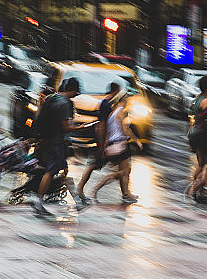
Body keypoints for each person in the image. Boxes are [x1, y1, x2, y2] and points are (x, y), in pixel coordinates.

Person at [31, 77, 82, 215]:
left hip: (46, 141)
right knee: (51, 171)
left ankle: (77, 200)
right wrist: (80, 128)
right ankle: (39, 201)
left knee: (62, 169)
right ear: (74, 91)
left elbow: (38, 117)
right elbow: (65, 127)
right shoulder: (65, 103)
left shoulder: (51, 98)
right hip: (56, 142)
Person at [89, 91, 143, 204]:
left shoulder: (112, 113)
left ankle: (126, 194)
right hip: (121, 144)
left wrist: (104, 147)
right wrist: (136, 140)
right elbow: (125, 130)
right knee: (124, 172)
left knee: (124, 171)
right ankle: (99, 185)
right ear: (124, 101)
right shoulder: (121, 113)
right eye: (128, 100)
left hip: (113, 144)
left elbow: (108, 132)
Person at [76, 81, 121, 204]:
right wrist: (103, 144)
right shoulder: (106, 105)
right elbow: (101, 125)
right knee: (95, 165)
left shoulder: (107, 103)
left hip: (108, 140)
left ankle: (87, 188)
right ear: (116, 91)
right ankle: (82, 188)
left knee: (108, 166)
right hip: (104, 140)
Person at [187, 76, 207, 193]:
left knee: (201, 164)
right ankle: (197, 187)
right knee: (206, 164)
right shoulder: (205, 101)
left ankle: (197, 186)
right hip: (202, 134)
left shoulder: (196, 99)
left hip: (194, 133)